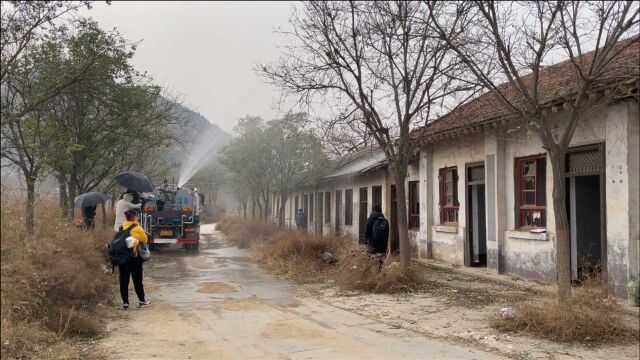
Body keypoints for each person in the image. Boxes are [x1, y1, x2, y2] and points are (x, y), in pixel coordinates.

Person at [118, 209, 150, 310]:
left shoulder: (121, 227)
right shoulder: (138, 228)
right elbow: (145, 241)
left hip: (122, 259)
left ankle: (125, 303)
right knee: (137, 281)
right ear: (135, 217)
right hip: (134, 259)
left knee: (123, 281)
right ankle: (142, 301)